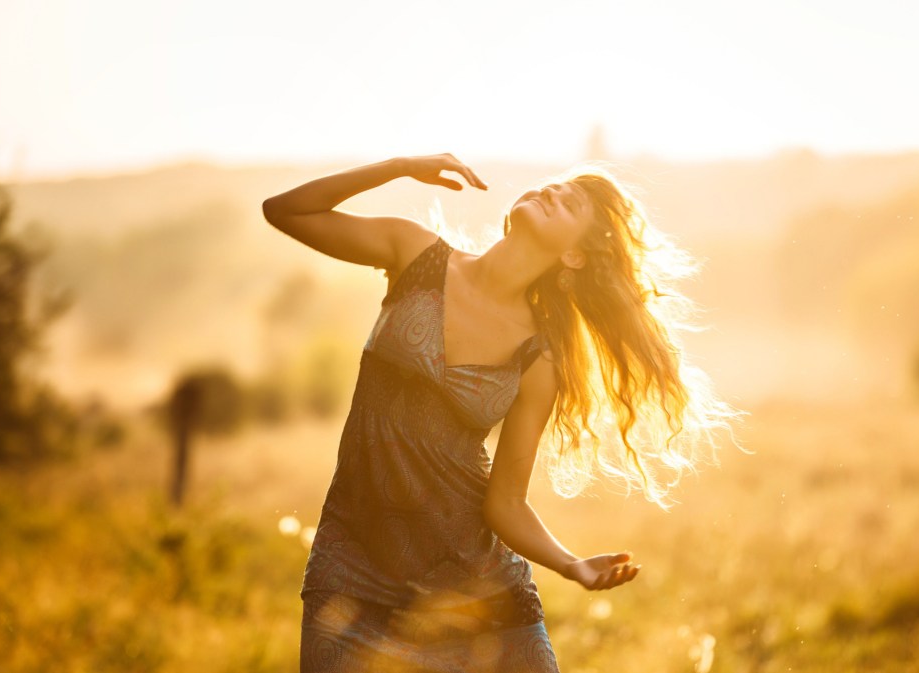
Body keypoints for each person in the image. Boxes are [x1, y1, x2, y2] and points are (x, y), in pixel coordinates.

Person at [262, 154, 743, 673]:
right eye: (553, 185)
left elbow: (506, 504)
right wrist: (400, 167)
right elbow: (285, 211)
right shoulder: (415, 253)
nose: (553, 191)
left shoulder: (538, 358)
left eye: (571, 202)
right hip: (351, 578)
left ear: (576, 258)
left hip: (481, 596)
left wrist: (572, 564)